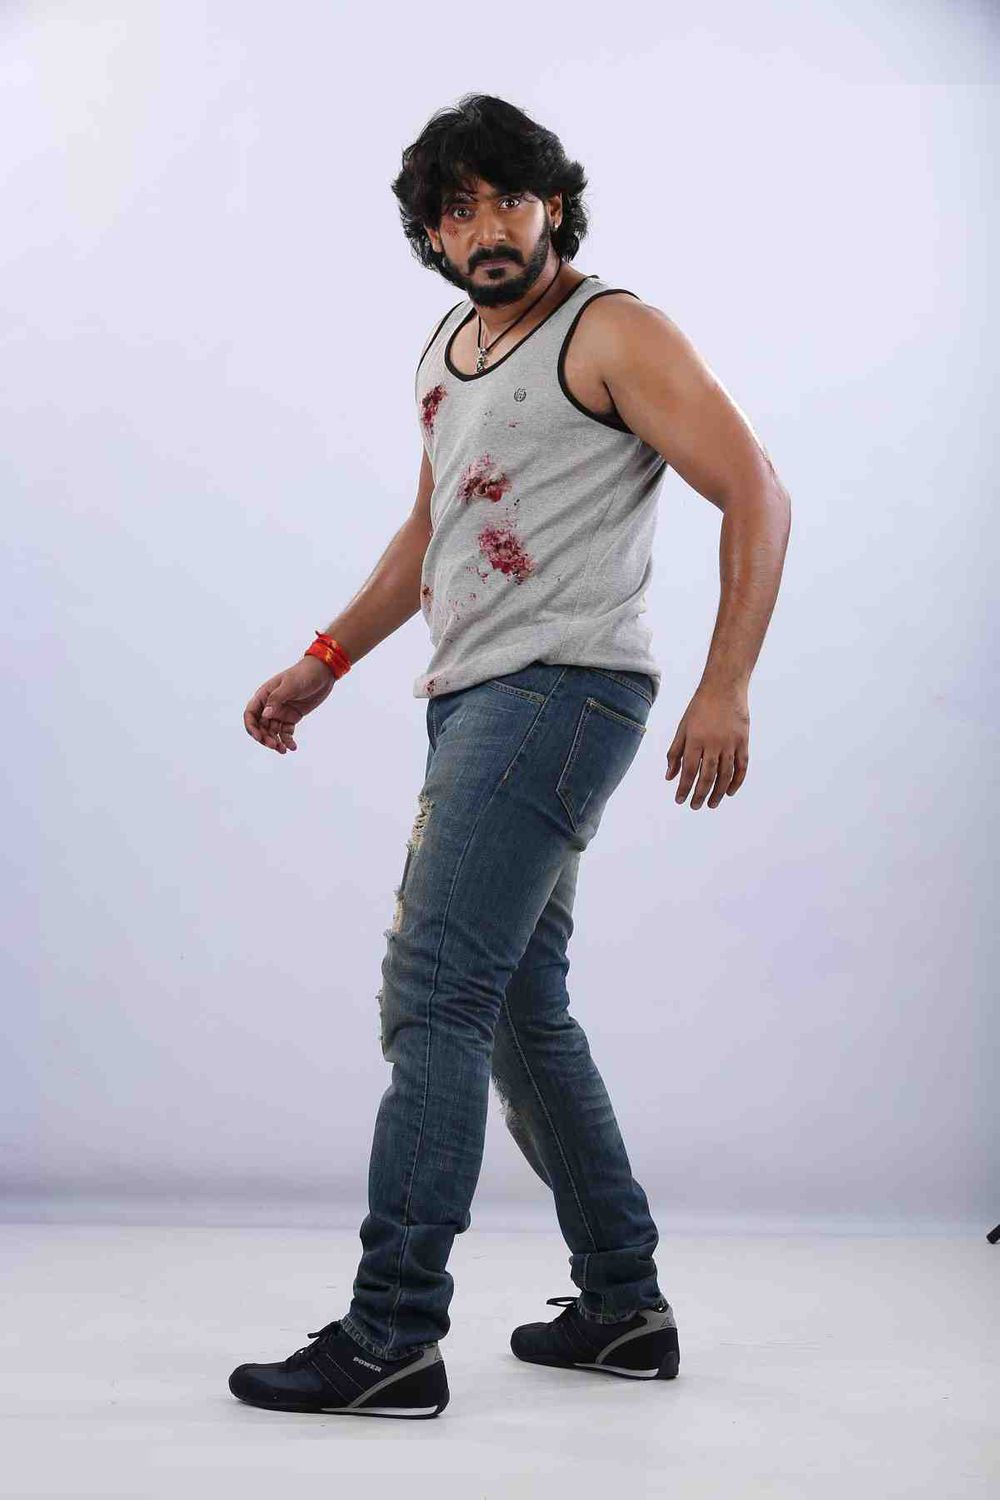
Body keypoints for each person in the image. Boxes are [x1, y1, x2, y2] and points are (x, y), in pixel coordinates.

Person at [230, 93, 791, 1420]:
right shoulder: (448, 345)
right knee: (519, 1011)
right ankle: (624, 1310)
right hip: (475, 696)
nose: (486, 227)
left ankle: (392, 1334)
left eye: (508, 199)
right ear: (431, 233)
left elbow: (756, 488)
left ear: (555, 205)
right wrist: (324, 658)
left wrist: (727, 684)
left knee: (433, 991)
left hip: (559, 693)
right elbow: (434, 529)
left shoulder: (613, 332)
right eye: (457, 208)